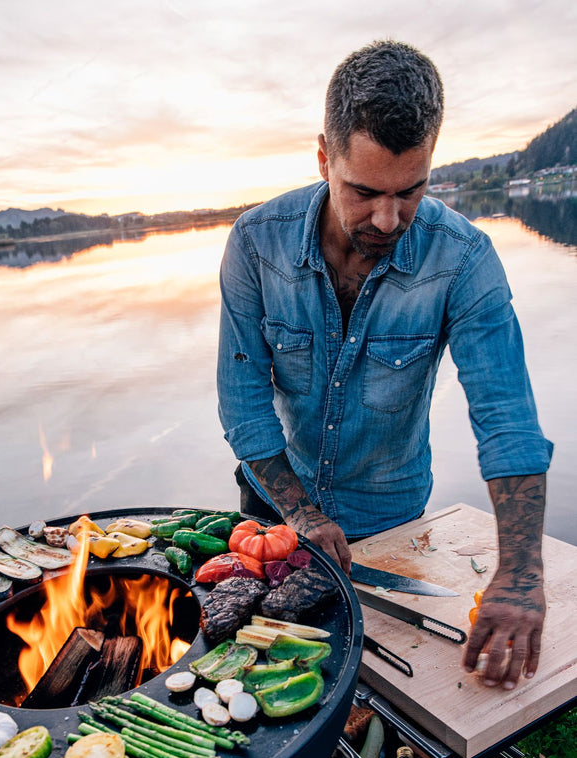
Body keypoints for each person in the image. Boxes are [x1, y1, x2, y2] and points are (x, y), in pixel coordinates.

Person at [217, 40, 552, 691]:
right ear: (323, 157)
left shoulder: (464, 259)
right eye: (363, 191)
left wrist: (518, 576)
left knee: (383, 689)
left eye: (411, 191)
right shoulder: (255, 243)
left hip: (390, 515)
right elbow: (243, 402)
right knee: (259, 676)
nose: (387, 218)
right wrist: (301, 515)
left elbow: (505, 416)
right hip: (273, 508)